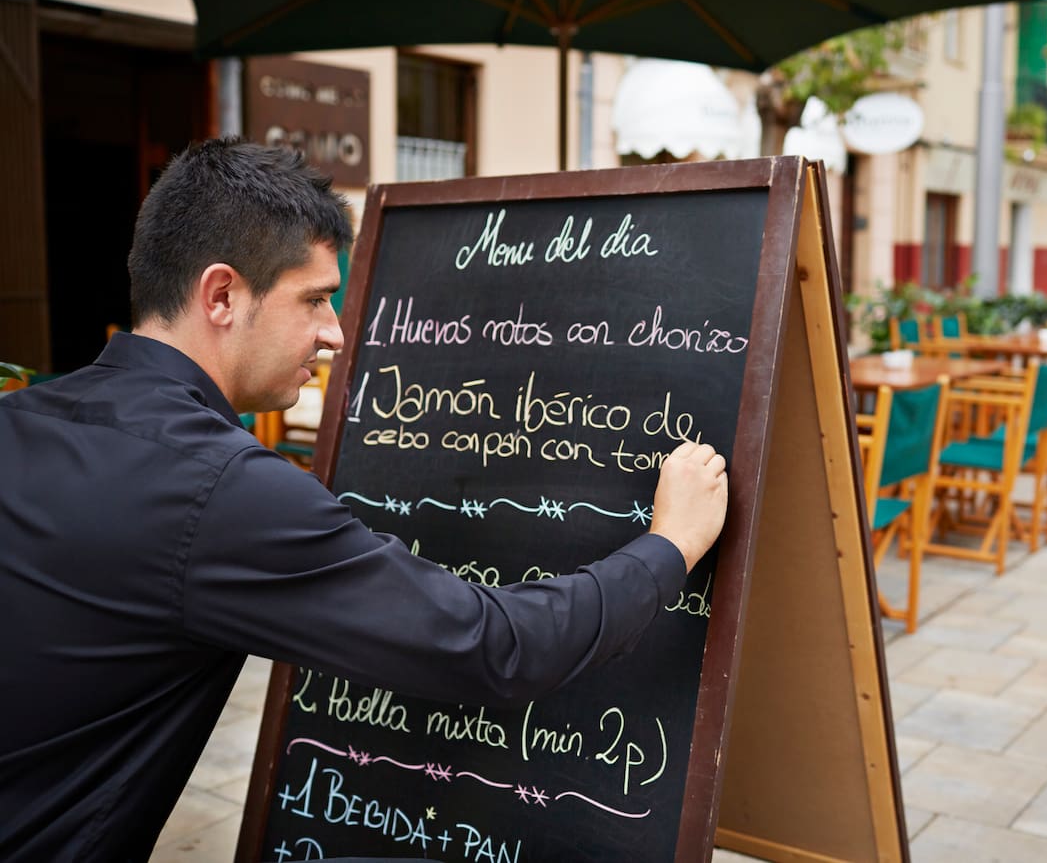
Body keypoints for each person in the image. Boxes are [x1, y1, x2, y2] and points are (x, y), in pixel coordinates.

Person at [0, 138, 728, 860]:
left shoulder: (18, 420)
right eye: (314, 298)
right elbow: (495, 648)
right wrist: (670, 545)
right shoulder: (219, 490)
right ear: (221, 295)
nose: (336, 332)